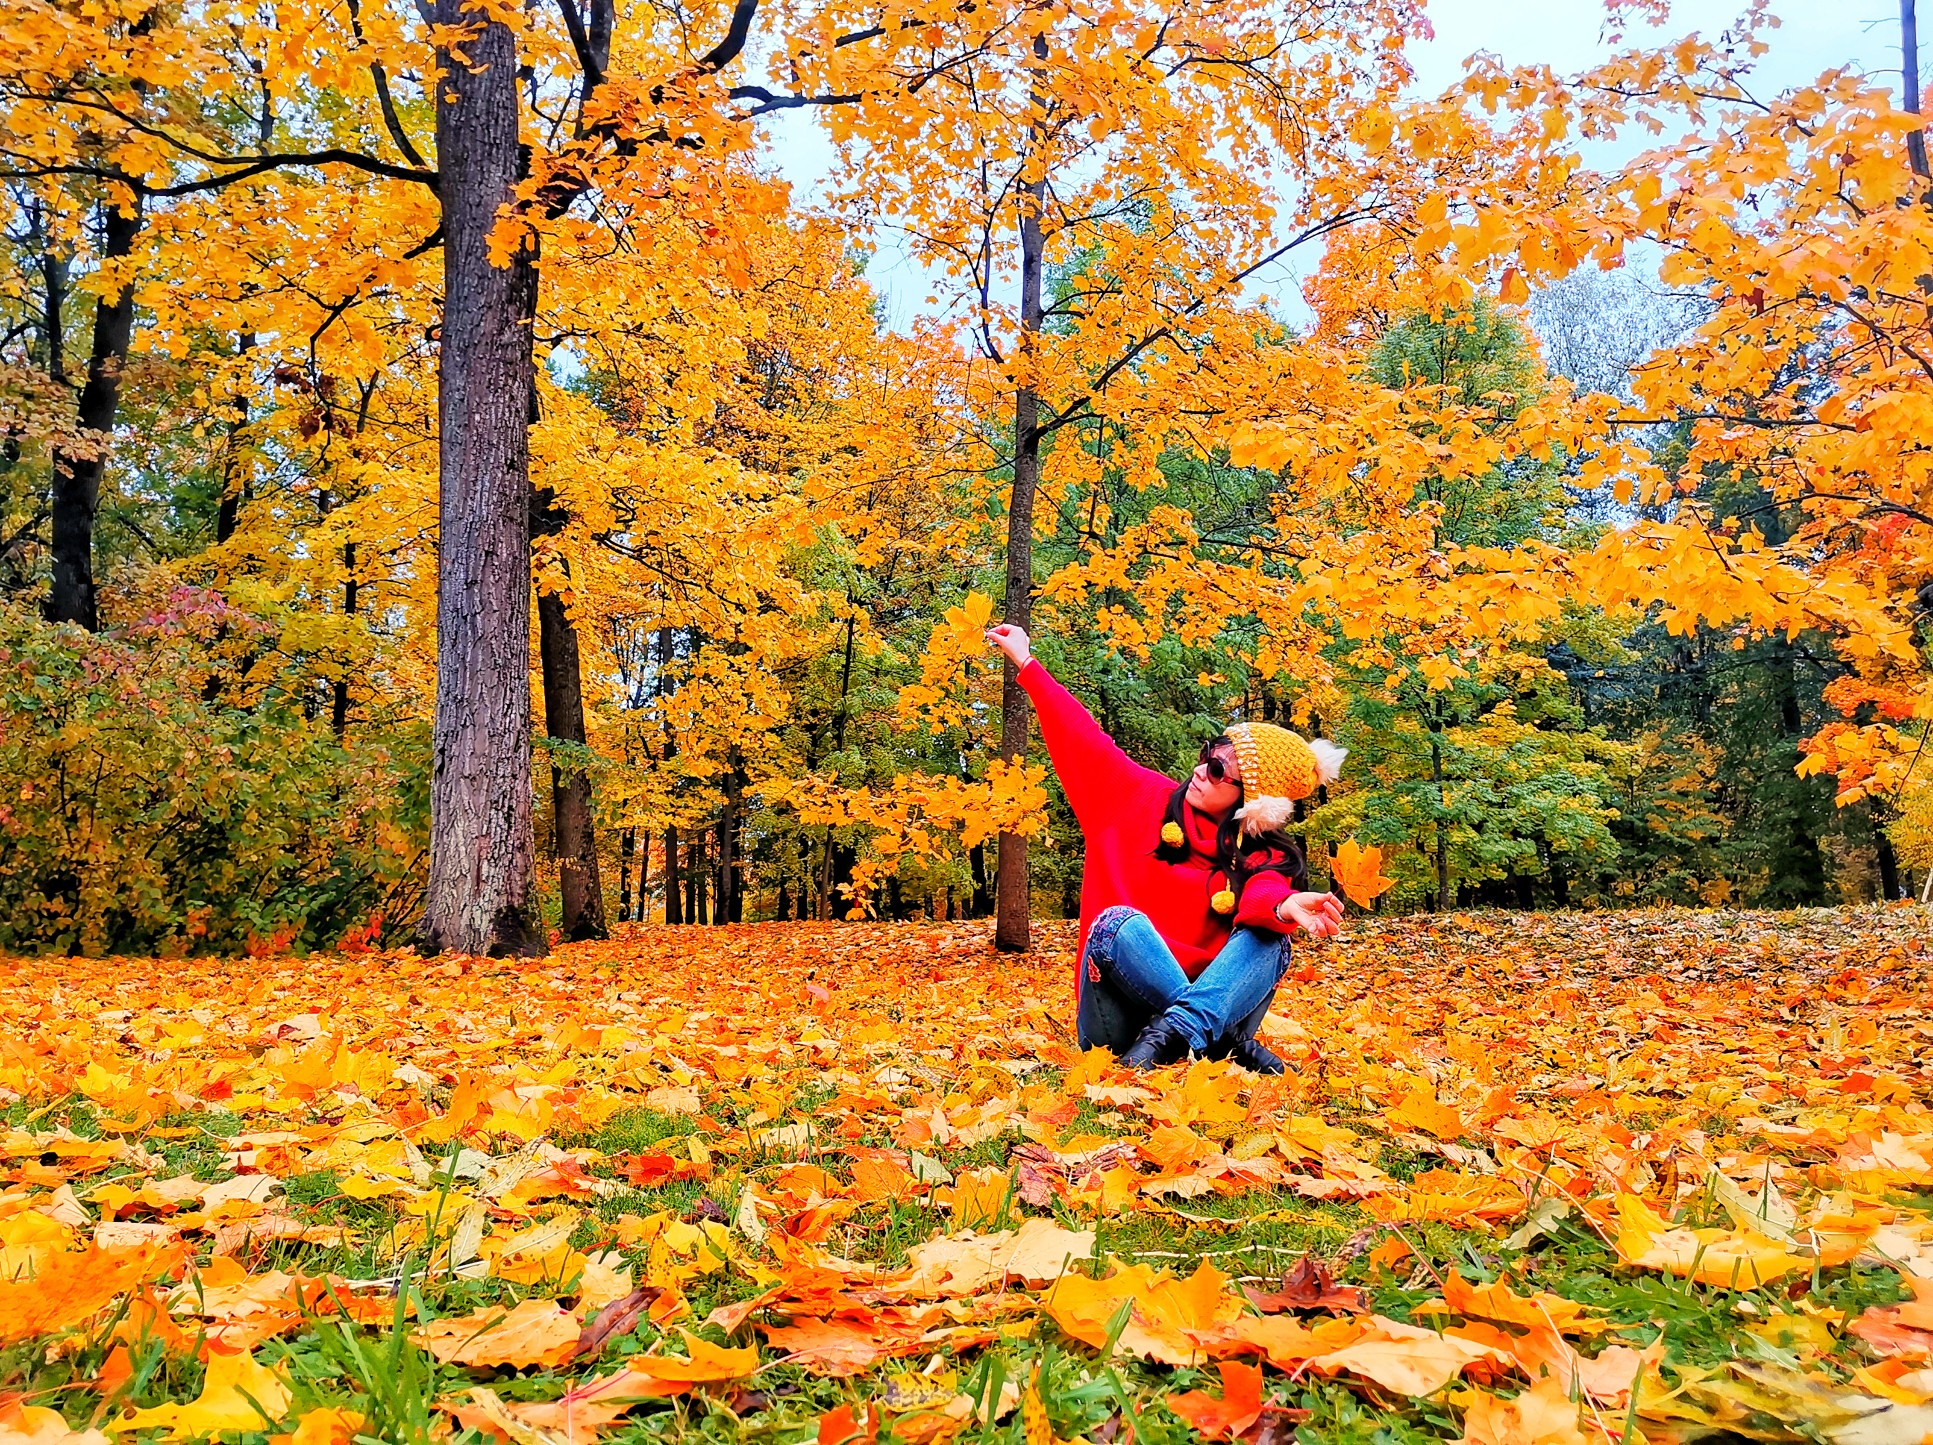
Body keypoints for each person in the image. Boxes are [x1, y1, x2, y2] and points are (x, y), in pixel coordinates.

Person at [985, 624, 1345, 1073]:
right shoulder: (1135, 798)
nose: (1200, 770)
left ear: (1251, 802)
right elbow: (1081, 737)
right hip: (1116, 1028)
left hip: (1184, 1029)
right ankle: (1226, 1047)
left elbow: (1261, 898)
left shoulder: (1264, 853)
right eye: (1209, 754)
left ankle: (1178, 1033)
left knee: (1272, 940)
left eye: (1217, 770)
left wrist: (1286, 904)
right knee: (1118, 923)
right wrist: (1027, 662)